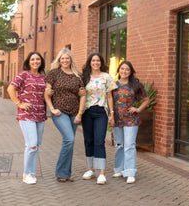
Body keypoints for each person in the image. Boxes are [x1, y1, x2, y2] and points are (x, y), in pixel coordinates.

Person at [44, 48, 86, 183]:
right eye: (62, 58)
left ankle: (66, 173)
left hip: (74, 113)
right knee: (69, 139)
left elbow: (83, 95)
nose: (65, 60)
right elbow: (47, 92)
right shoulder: (54, 73)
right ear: (59, 60)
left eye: (67, 58)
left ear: (71, 59)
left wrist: (80, 113)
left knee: (69, 142)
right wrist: (52, 109)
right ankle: (60, 172)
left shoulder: (78, 75)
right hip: (59, 112)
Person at [7, 51, 47, 185]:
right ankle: (26, 174)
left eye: (38, 59)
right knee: (32, 145)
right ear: (28, 62)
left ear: (41, 61)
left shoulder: (43, 77)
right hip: (26, 115)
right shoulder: (24, 74)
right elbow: (10, 89)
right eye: (33, 59)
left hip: (41, 115)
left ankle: (31, 172)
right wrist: (19, 103)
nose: (35, 61)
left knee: (35, 145)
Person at [81, 53, 117, 185]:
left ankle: (101, 173)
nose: (95, 62)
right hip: (87, 112)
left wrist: (111, 113)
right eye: (93, 60)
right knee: (88, 141)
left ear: (101, 62)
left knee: (99, 141)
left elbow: (109, 96)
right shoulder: (84, 77)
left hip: (101, 111)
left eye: (98, 60)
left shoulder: (106, 77)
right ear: (90, 62)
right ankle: (91, 169)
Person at [111, 61, 150, 184]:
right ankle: (119, 169)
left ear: (131, 71)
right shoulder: (113, 85)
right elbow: (109, 101)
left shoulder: (136, 85)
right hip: (117, 119)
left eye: (127, 69)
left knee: (129, 145)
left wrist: (138, 109)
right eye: (122, 69)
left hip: (131, 120)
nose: (124, 71)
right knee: (119, 145)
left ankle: (130, 171)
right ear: (119, 70)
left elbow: (146, 100)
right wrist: (110, 115)